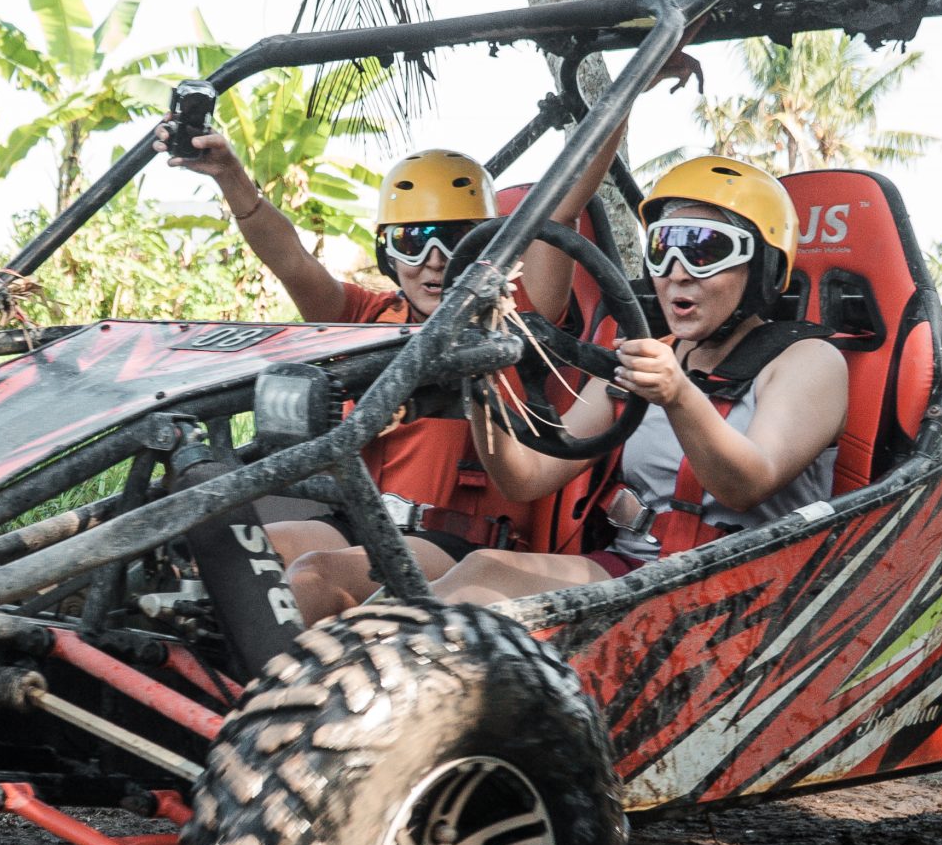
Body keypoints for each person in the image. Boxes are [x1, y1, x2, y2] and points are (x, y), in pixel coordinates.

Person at [152, 122, 622, 620]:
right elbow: (289, 258)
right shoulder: (369, 317)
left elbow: (564, 205)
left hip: (456, 541)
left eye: (458, 239)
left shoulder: (519, 316)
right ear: (387, 252)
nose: (435, 262)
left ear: (492, 245)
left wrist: (624, 99)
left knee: (316, 577)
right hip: (360, 519)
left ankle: (278, 693)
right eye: (413, 240)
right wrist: (229, 174)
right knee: (232, 555)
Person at [423, 154, 849, 606]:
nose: (679, 272)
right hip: (637, 573)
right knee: (480, 572)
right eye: (665, 251)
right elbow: (525, 478)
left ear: (761, 267)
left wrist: (677, 394)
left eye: (706, 252)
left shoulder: (809, 361)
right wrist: (480, 381)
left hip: (749, 590)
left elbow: (747, 485)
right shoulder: (646, 359)